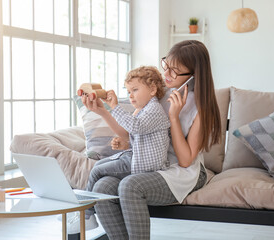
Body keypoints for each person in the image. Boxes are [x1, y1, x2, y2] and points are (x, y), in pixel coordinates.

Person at [81, 40, 221, 239]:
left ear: (193, 75)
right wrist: (103, 112)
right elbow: (130, 132)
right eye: (166, 66)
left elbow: (185, 160)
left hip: (182, 172)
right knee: (102, 187)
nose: (167, 75)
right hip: (152, 164)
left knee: (130, 186)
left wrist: (173, 116)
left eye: (175, 71)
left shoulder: (201, 108)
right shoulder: (159, 93)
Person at [67, 66, 171, 234]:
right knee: (100, 172)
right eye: (128, 91)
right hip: (136, 158)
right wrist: (124, 142)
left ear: (152, 89)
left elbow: (135, 127)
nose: (130, 95)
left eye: (135, 90)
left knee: (97, 169)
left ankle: (86, 214)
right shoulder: (143, 110)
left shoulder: (154, 110)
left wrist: (114, 106)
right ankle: (86, 212)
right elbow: (134, 135)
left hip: (142, 164)